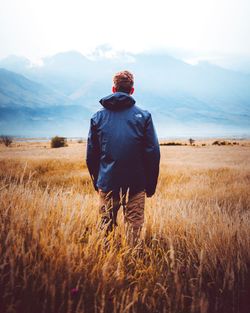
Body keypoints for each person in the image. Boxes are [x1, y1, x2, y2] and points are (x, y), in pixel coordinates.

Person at [86, 70, 160, 246]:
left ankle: (106, 265)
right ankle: (132, 263)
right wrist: (150, 185)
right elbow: (153, 153)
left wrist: (97, 182)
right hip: (136, 184)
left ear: (113, 89)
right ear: (132, 91)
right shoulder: (144, 116)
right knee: (134, 228)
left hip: (107, 182)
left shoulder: (98, 117)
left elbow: (91, 155)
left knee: (106, 228)